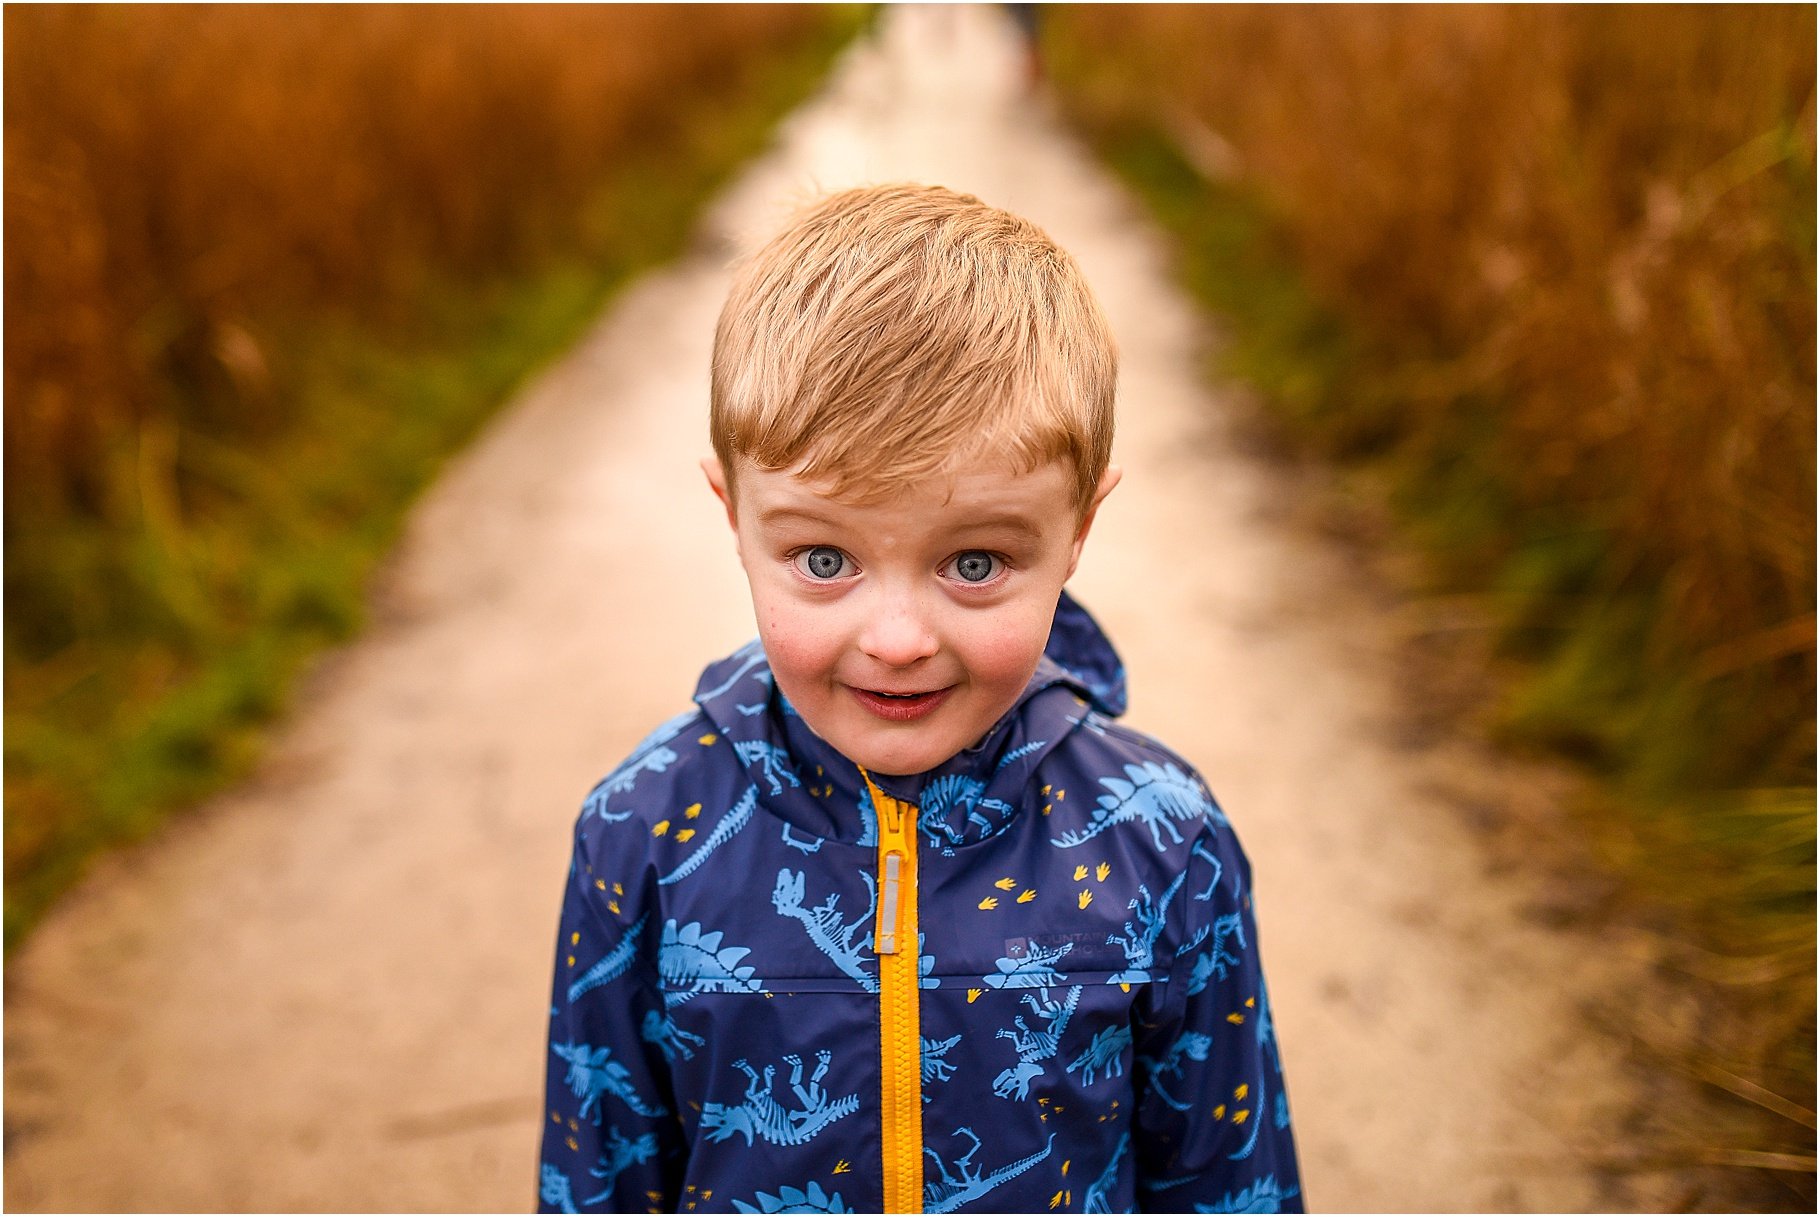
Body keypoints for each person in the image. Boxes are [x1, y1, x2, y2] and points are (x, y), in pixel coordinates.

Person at [537, 184, 1303, 1215]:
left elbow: (1229, 1180)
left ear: (1078, 525)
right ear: (731, 510)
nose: (896, 639)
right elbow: (596, 1176)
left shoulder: (1165, 842)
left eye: (974, 560)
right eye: (822, 556)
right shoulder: (641, 831)